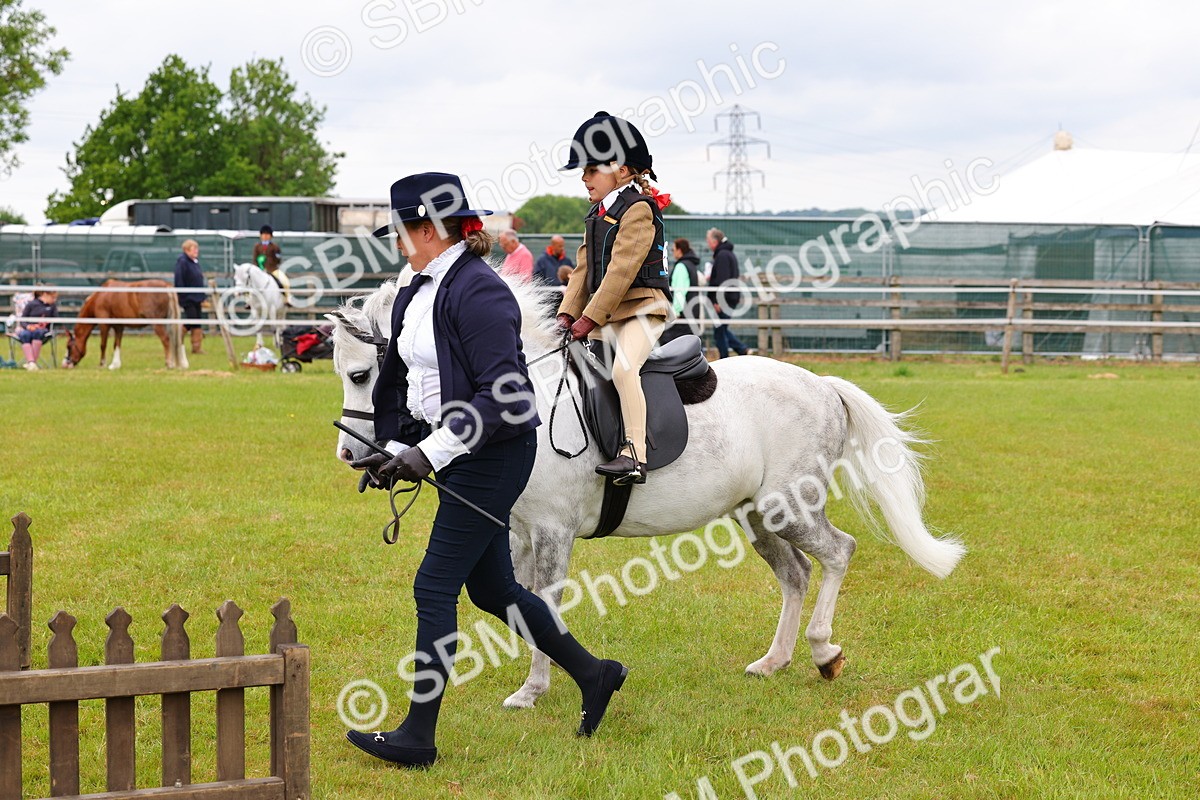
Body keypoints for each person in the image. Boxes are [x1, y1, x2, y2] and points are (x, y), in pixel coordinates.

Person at [346, 172, 628, 769]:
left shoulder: (479, 291)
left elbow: (506, 395)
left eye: (400, 231)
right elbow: (412, 382)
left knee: (433, 587)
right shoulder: (417, 289)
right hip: (459, 451)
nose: (396, 242)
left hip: (494, 455)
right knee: (494, 590)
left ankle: (418, 736)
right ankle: (595, 673)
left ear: (427, 229)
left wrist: (429, 454)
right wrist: (394, 448)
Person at [556, 111, 674, 485]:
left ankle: (635, 455)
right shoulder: (598, 213)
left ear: (621, 171)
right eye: (584, 170)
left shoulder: (638, 208)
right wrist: (565, 314)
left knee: (624, 369)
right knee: (575, 368)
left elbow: (621, 271)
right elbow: (582, 269)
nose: (584, 177)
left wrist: (589, 318)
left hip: (643, 308)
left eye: (592, 169)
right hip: (608, 315)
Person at [706, 227, 753, 358]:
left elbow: (723, 280)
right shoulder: (727, 254)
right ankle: (742, 350)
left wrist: (718, 301)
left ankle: (726, 358)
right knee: (721, 329)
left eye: (708, 241)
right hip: (729, 297)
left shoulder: (722, 256)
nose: (708, 244)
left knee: (720, 331)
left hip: (725, 300)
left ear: (715, 241)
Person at [659, 238, 701, 345]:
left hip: (683, 314)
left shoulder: (681, 266)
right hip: (692, 311)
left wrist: (676, 312)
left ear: (679, 250)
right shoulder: (691, 265)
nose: (672, 252)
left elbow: (679, 291)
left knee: (667, 342)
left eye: (673, 250)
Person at [174, 239, 206, 354]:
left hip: (197, 297)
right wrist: (183, 294)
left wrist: (202, 296)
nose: (196, 251)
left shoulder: (194, 262)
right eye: (194, 249)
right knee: (191, 319)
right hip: (188, 297)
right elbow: (179, 280)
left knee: (197, 321)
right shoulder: (182, 262)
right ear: (187, 250)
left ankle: (196, 348)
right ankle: (176, 340)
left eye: (197, 249)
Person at [15, 288, 57, 370]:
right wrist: (28, 326)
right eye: (53, 297)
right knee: (24, 335)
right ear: (45, 294)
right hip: (29, 329)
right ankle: (32, 362)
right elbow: (23, 320)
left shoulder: (52, 306)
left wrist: (46, 322)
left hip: (42, 330)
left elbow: (56, 320)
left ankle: (31, 363)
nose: (54, 300)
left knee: (38, 333)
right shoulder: (31, 304)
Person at [252, 225, 291, 305]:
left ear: (270, 236)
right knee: (250, 283)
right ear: (261, 236)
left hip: (272, 270)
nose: (265, 236)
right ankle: (249, 301)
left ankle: (287, 299)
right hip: (260, 271)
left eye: (267, 234)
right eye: (263, 234)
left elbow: (278, 259)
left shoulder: (275, 247)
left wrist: (271, 262)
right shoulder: (257, 247)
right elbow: (255, 259)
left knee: (285, 281)